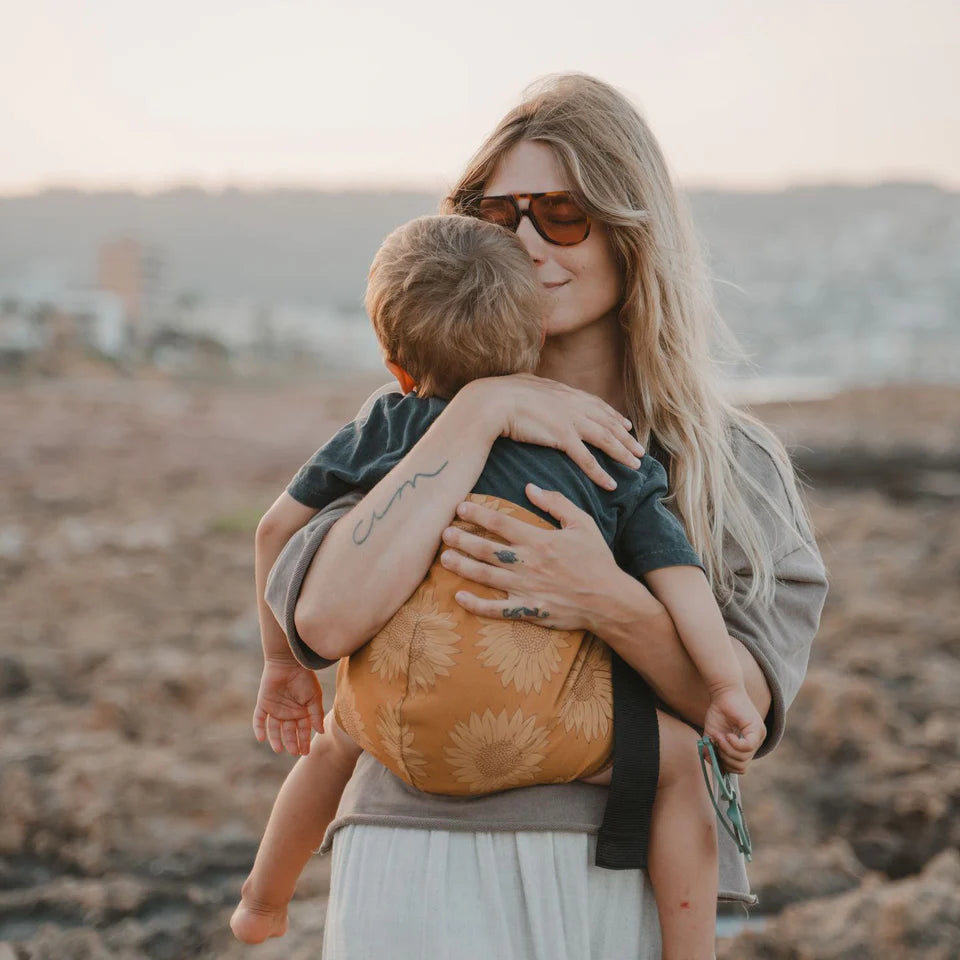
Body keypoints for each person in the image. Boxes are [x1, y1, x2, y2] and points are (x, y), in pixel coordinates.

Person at [254, 74, 827, 959]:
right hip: (405, 861)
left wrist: (605, 598)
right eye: (498, 214)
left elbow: (741, 703)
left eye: (562, 213)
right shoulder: (408, 423)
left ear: (633, 232)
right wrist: (481, 413)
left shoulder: (728, 465)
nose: (526, 242)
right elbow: (324, 619)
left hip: (616, 869)